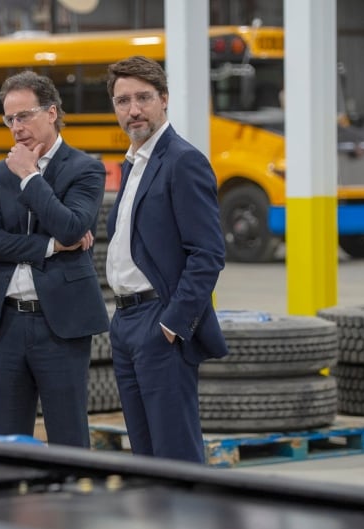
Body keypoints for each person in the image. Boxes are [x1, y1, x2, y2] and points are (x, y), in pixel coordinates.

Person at [0, 70, 109, 448]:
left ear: (51, 112)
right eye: (9, 119)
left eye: (24, 116)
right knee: (7, 440)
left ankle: (71, 502)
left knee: (68, 436)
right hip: (6, 321)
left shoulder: (86, 169)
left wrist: (30, 176)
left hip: (60, 324)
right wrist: (46, 248)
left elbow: (70, 227)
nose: (16, 128)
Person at [104, 56, 229, 463]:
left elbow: (207, 254)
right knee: (145, 454)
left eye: (143, 98)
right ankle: (160, 526)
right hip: (124, 322)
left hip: (158, 321)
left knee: (175, 452)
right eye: (123, 101)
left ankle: (190, 526)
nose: (133, 109)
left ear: (164, 100)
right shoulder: (134, 163)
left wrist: (173, 324)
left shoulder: (182, 160)